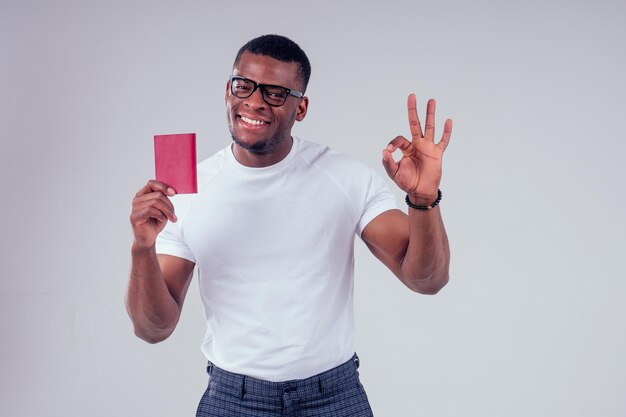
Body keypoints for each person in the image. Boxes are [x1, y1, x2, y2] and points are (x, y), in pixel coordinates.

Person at [126, 34, 452, 417]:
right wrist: (143, 249)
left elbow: (426, 279)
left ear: (301, 108)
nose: (254, 102)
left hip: (333, 396)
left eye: (276, 93)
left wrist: (424, 199)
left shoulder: (345, 178)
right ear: (228, 91)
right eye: (243, 86)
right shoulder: (185, 193)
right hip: (234, 401)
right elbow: (153, 329)